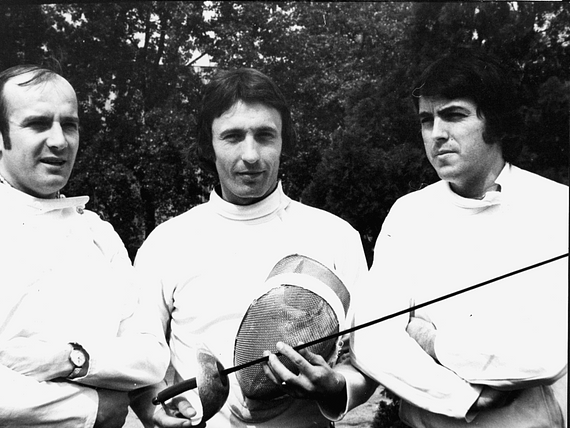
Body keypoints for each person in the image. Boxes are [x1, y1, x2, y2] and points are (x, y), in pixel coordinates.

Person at [128, 67, 369, 428]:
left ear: (284, 140)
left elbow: (365, 363)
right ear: (208, 144)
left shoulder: (336, 236)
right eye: (233, 137)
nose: (251, 154)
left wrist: (334, 387)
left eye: (265, 135)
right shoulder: (166, 242)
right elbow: (138, 360)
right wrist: (154, 410)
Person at [348, 51, 568, 427]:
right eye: (426, 120)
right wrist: (464, 397)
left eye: (453, 115)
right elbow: (371, 340)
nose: (436, 133)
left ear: (495, 123)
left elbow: (546, 355)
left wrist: (433, 342)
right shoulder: (408, 214)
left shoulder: (557, 207)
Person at [0, 64, 169, 427]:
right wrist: (93, 409)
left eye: (69, 125)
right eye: (38, 124)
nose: (60, 141)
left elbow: (152, 356)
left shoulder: (97, 233)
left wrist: (71, 360)